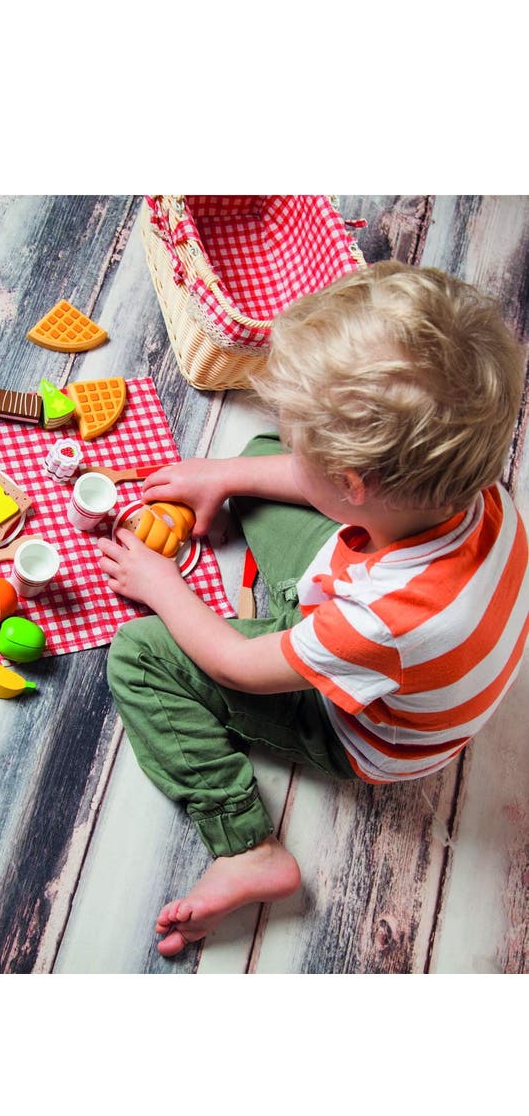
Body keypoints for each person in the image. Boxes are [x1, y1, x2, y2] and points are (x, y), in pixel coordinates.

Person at [97, 259, 529, 958]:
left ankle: (247, 848)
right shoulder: (472, 489)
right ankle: (279, 499)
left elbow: (235, 665)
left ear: (354, 486)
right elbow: (312, 480)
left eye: (308, 446)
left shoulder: (388, 619)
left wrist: (160, 586)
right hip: (374, 589)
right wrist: (228, 473)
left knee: (140, 655)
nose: (286, 436)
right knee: (258, 460)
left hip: (358, 727)